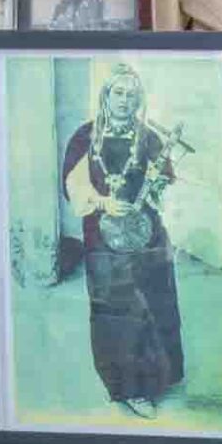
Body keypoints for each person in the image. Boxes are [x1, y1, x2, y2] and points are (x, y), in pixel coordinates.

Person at [62, 65, 184, 420]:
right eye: (118, 93)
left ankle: (160, 375)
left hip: (147, 232)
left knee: (157, 299)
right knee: (119, 308)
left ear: (138, 101)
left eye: (132, 95)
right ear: (106, 96)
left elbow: (166, 181)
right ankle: (131, 388)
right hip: (103, 236)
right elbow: (73, 187)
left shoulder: (149, 138)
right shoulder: (85, 138)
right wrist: (104, 203)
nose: (124, 101)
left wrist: (158, 184)